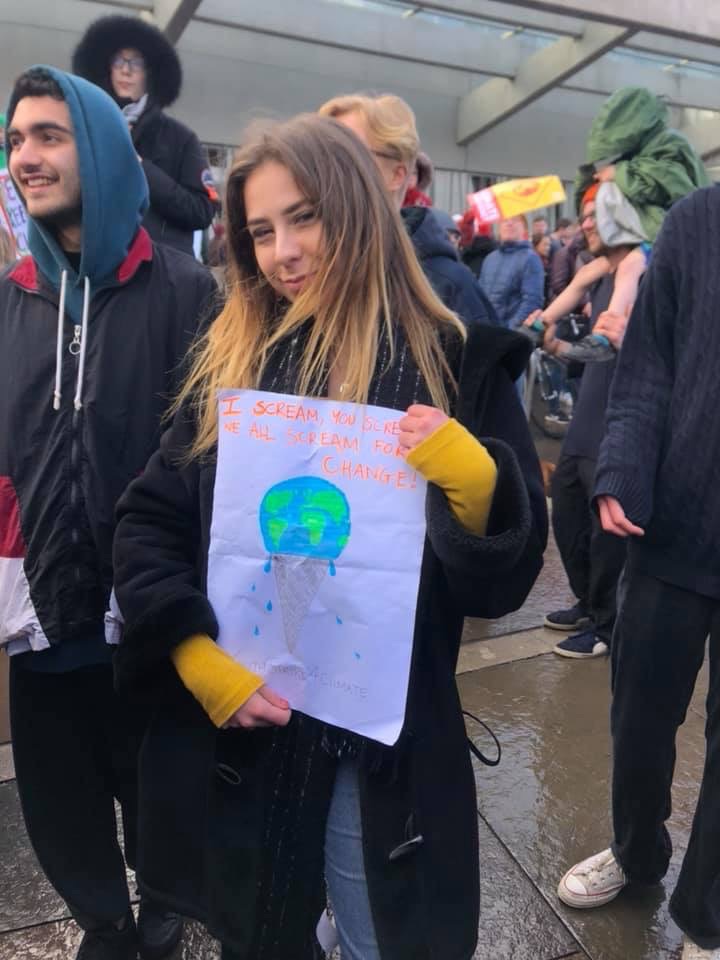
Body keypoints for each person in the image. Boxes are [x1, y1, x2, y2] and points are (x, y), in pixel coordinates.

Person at [110, 113, 547, 960]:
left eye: (304, 217)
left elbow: (501, 588)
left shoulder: (457, 365)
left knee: (381, 936)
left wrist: (483, 491)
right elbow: (146, 523)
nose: (284, 253)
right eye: (261, 232)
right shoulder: (233, 368)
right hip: (253, 740)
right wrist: (192, 654)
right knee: (265, 935)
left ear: (358, 207)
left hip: (381, 754)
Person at [0, 65, 216, 960]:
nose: (26, 157)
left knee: (162, 793)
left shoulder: (186, 293)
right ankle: (106, 923)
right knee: (59, 802)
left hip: (146, 619)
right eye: (15, 141)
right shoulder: (9, 294)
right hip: (39, 617)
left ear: (97, 148)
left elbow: (208, 455)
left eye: (48, 136)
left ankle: (164, 911)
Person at [557, 183, 720, 960]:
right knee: (639, 714)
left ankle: (707, 911)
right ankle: (636, 852)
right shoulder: (698, 220)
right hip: (672, 529)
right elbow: (646, 370)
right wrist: (621, 466)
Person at [537, 190, 634, 659]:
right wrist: (556, 344)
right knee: (570, 514)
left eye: (596, 216)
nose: (587, 225)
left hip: (619, 423)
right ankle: (588, 602)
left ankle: (606, 625)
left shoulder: (641, 276)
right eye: (583, 217)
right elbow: (588, 347)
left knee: (606, 532)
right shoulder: (596, 276)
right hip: (585, 419)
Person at [318, 93, 496, 327]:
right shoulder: (304, 272)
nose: (326, 170)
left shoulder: (449, 287)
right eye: (320, 156)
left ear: (396, 175)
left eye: (347, 155)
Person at [72, 15, 217, 256]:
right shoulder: (88, 132)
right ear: (108, 68)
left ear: (150, 74)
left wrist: (141, 167)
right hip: (102, 271)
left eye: (135, 63)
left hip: (163, 275)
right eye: (119, 61)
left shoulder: (180, 137)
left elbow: (202, 211)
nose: (126, 70)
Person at [480, 214, 544, 329]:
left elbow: (532, 302)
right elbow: (480, 295)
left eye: (515, 220)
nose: (509, 223)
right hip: (487, 332)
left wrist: (510, 330)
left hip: (510, 336)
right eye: (504, 220)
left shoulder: (530, 258)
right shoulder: (490, 259)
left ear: (524, 229)